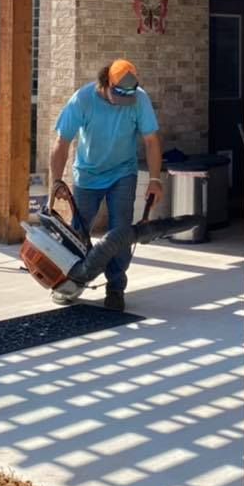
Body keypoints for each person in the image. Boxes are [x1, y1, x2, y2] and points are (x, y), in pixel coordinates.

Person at [48, 58, 163, 311]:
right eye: (117, 95)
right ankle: (69, 283)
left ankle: (116, 288)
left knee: (120, 232)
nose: (123, 103)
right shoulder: (83, 100)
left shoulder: (139, 99)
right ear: (105, 83)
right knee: (78, 232)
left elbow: (152, 141)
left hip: (123, 172)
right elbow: (62, 142)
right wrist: (55, 182)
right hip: (88, 175)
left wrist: (155, 179)